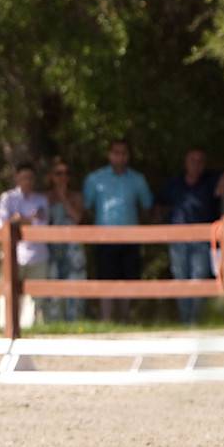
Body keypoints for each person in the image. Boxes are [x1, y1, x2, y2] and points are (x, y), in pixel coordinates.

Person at [82, 138, 153, 322]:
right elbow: (86, 207)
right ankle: (106, 319)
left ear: (128, 156)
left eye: (123, 153)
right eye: (116, 153)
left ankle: (124, 319)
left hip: (130, 237)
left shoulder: (138, 180)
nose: (119, 157)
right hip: (104, 238)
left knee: (128, 278)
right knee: (106, 278)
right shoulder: (95, 179)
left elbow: (147, 206)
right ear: (109, 155)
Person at [156, 147, 221, 324]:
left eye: (200, 161)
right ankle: (186, 321)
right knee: (180, 280)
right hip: (178, 240)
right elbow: (159, 205)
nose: (196, 164)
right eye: (193, 160)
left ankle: (195, 322)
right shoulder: (174, 184)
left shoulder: (211, 182)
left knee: (199, 280)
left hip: (202, 240)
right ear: (186, 163)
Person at [0, 163, 50, 330]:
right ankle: (6, 328)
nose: (27, 181)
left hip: (37, 254)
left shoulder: (41, 200)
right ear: (17, 178)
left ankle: (33, 328)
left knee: (36, 297)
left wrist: (18, 219)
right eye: (24, 177)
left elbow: (43, 227)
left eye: (30, 178)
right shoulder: (8, 198)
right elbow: (1, 226)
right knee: (9, 294)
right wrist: (28, 219)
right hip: (13, 254)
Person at [41, 157, 86, 323]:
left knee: (74, 284)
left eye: (66, 173)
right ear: (51, 176)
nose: (63, 177)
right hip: (51, 248)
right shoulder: (44, 198)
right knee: (53, 286)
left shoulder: (76, 197)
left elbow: (77, 217)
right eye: (58, 173)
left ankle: (75, 322)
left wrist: (63, 197)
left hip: (73, 249)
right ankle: (54, 323)